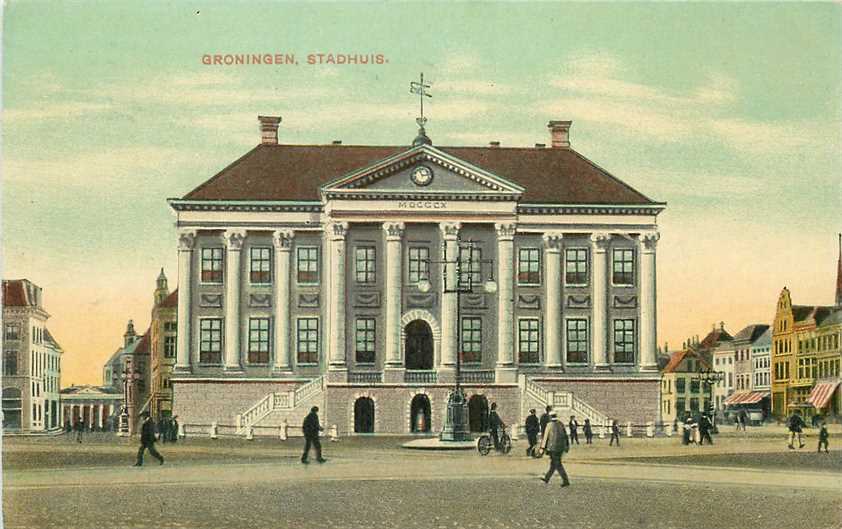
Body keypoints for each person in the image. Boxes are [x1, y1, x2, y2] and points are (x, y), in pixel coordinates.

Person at [538, 413, 570, 487]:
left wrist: (542, 448)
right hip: (560, 447)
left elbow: (545, 437)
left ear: (550, 417)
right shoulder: (561, 424)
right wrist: (567, 446)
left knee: (558, 464)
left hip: (552, 448)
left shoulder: (549, 425)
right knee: (553, 464)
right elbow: (565, 436)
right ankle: (547, 478)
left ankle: (566, 480)